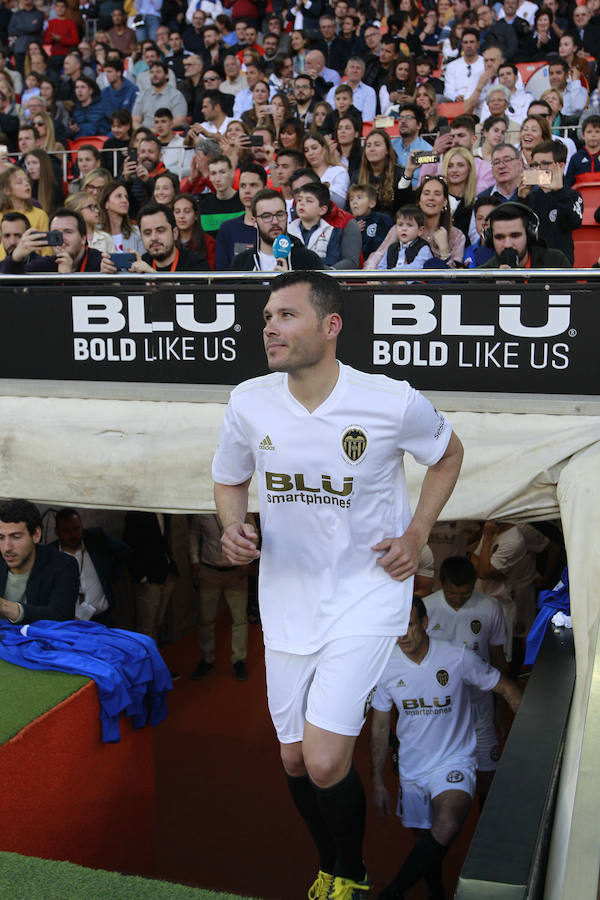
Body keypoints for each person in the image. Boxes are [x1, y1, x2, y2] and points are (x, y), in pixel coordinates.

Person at [212, 270, 463, 900]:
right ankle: (331, 865)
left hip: (368, 595)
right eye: (267, 315)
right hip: (286, 599)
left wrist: (414, 535)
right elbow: (228, 479)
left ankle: (349, 875)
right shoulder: (248, 401)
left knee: (325, 760)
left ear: (330, 327)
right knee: (294, 760)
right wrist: (234, 527)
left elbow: (449, 453)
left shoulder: (390, 399)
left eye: (287, 315)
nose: (270, 325)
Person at [371, 597, 520, 900]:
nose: (402, 635)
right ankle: (434, 888)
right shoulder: (385, 667)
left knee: (448, 821)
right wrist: (376, 781)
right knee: (425, 840)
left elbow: (504, 686)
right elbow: (379, 727)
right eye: (396, 628)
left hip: (455, 761)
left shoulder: (457, 657)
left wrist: (529, 723)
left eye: (410, 625)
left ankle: (393, 892)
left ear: (425, 623)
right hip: (413, 769)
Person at [425, 556, 508, 805]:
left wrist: (499, 709)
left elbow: (497, 658)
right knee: (440, 780)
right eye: (453, 593)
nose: (460, 598)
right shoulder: (426, 608)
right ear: (441, 583)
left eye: (466, 593)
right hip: (439, 710)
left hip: (479, 707)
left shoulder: (490, 607)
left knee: (487, 778)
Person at [188, 513, 250, 682]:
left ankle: (239, 660)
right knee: (206, 618)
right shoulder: (202, 510)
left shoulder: (241, 507)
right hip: (210, 571)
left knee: (240, 619)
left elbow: (253, 532)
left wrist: (247, 559)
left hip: (235, 572)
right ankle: (206, 659)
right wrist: (194, 561)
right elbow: (194, 534)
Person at [0, 499, 78, 624]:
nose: (7, 547)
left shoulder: (63, 565)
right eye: (1, 538)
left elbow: (61, 615)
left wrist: (5, 607)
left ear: (36, 535)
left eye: (16, 537)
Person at [52, 507, 130, 625]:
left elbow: (124, 551)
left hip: (103, 619)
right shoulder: (50, 554)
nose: (73, 535)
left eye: (76, 529)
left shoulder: (95, 539)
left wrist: (112, 574)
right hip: (69, 624)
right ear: (57, 532)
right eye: (66, 531)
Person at [519, 139, 582, 264]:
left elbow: (572, 222)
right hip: (534, 267)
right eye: (535, 165)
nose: (539, 169)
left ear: (561, 166)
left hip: (561, 267)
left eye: (545, 164)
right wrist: (522, 199)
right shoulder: (532, 196)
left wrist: (558, 192)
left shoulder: (572, 195)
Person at [229, 188, 322, 271]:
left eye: (280, 214)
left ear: (287, 216)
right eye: (266, 216)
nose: (275, 221)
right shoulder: (240, 263)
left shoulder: (308, 260)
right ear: (254, 221)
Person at [103, 202, 209, 274]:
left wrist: (153, 276)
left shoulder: (196, 264)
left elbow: (191, 302)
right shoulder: (139, 265)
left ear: (175, 233)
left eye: (160, 230)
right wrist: (109, 276)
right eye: (147, 233)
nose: (154, 237)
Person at [123, 510, 179, 643]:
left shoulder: (164, 512)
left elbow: (163, 540)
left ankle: (153, 656)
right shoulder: (135, 514)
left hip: (166, 573)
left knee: (157, 622)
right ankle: (146, 660)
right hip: (148, 579)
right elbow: (128, 545)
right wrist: (141, 576)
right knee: (145, 626)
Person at [2, 207, 103, 273]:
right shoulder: (48, 263)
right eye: (55, 233)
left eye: (68, 231)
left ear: (83, 238)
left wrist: (67, 278)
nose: (61, 238)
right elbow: (10, 288)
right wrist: (15, 259)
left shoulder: (99, 262)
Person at [478, 201, 571, 268]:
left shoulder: (556, 262)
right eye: (499, 237)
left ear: (529, 235)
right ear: (490, 239)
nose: (507, 244)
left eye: (515, 236)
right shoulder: (483, 276)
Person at [215, 161, 266, 269]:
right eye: (243, 186)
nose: (247, 191)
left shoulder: (274, 226)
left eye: (253, 185)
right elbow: (222, 272)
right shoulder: (227, 228)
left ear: (265, 188)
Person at [288, 181, 342, 267]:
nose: (301, 203)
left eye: (309, 201)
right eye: (299, 200)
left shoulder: (331, 231)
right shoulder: (288, 229)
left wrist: (307, 261)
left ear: (322, 210)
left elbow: (333, 259)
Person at [356, 129, 402, 218]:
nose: (372, 149)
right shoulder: (357, 175)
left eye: (377, 145)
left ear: (387, 150)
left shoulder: (399, 174)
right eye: (368, 146)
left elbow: (402, 206)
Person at [132, 60, 187, 130]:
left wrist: (158, 130)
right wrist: (144, 132)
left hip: (168, 136)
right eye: (152, 72)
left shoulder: (176, 96)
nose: (154, 75)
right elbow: (135, 120)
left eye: (158, 72)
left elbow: (180, 120)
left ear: (166, 75)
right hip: (145, 135)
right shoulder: (143, 95)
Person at [198, 153, 244, 237]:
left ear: (231, 173)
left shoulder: (244, 202)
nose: (217, 179)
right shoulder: (204, 206)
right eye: (213, 173)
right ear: (209, 177)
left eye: (222, 172)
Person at [377, 204, 434, 271]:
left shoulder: (423, 247)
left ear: (420, 230)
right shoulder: (392, 248)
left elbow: (418, 266)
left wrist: (394, 273)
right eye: (400, 225)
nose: (404, 229)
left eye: (409, 225)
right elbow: (381, 267)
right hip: (391, 280)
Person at [347, 183, 393, 259]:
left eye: (359, 198)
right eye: (351, 199)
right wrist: (353, 232)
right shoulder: (348, 222)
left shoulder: (381, 219)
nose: (354, 202)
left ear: (372, 203)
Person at [99, 180, 144, 255]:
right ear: (106, 204)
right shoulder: (96, 233)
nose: (124, 200)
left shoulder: (137, 233)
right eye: (118, 196)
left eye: (126, 197)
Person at [324, 57, 376, 123]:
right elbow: (329, 113)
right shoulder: (334, 90)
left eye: (358, 68)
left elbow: (368, 118)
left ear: (363, 73)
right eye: (352, 67)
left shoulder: (369, 91)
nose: (354, 70)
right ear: (346, 71)